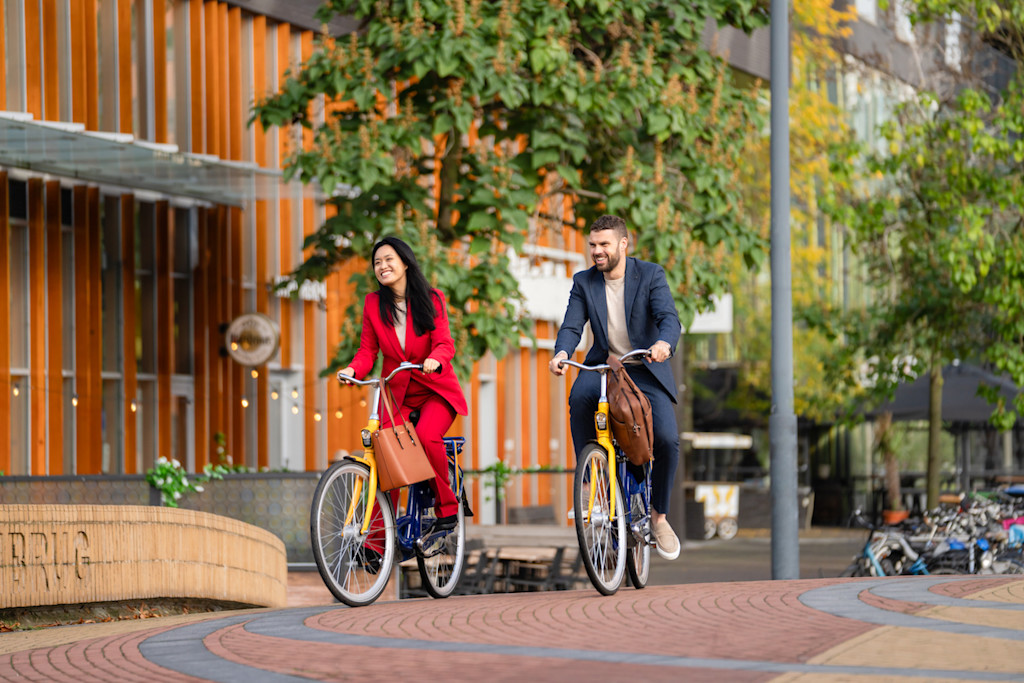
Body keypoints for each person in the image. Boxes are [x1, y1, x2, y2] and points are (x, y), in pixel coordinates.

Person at [549, 215, 682, 560]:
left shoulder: (650, 275)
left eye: (604, 244)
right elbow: (571, 325)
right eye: (593, 245)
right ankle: (590, 478)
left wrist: (664, 344)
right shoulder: (584, 282)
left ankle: (659, 517)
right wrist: (562, 352)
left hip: (645, 368)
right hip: (605, 365)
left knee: (667, 440)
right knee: (579, 396)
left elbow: (669, 318)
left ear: (624, 244)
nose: (597, 251)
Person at [339, 236, 468, 533]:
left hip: (434, 389)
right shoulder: (373, 304)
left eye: (388, 260)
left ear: (405, 262)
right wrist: (352, 370)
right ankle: (376, 540)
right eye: (377, 263)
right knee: (385, 454)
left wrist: (435, 358)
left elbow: (445, 343)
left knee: (425, 435)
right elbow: (367, 351)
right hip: (396, 394)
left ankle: (447, 508)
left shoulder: (431, 298)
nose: (382, 266)